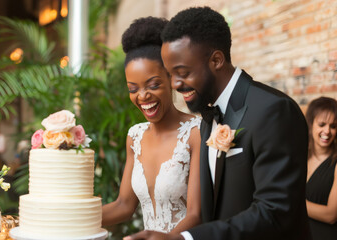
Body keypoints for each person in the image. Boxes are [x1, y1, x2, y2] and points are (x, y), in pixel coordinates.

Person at [125, 6, 311, 240]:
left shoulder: (273, 111)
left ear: (216, 60)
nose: (175, 84)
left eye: (182, 72)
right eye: (171, 74)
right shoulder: (208, 119)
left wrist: (184, 238)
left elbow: (275, 213)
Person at [102, 17, 202, 233]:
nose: (143, 96)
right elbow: (123, 206)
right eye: (133, 89)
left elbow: (196, 214)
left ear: (171, 79)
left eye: (153, 85)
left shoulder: (196, 132)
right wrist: (68, 217)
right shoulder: (135, 136)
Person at [305, 96, 337, 240]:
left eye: (333, 126)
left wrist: (292, 202)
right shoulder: (301, 156)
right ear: (311, 124)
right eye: (322, 124)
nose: (327, 131)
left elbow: (331, 215)